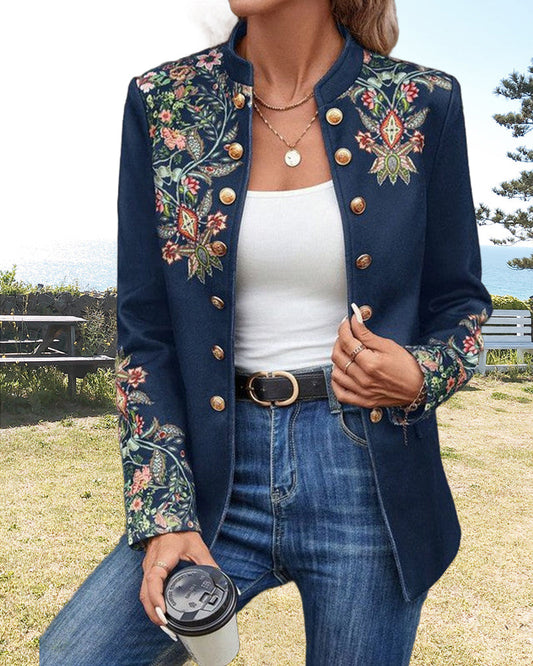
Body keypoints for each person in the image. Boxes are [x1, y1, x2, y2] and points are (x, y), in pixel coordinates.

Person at [39, 1, 493, 664]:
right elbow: (145, 330)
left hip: (365, 470)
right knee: (75, 655)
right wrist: (164, 512)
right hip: (215, 467)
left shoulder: (423, 102)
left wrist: (421, 373)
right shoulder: (163, 103)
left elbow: (461, 303)